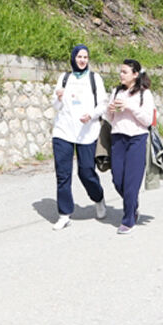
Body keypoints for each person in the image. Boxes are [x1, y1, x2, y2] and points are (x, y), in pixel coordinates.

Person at [51, 44, 108, 230]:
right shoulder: (64, 78)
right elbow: (55, 105)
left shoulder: (94, 78)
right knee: (63, 174)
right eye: (79, 57)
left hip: (87, 132)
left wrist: (91, 115)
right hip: (63, 131)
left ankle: (98, 198)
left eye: (85, 57)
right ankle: (64, 214)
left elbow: (103, 104)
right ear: (73, 58)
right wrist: (58, 98)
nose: (82, 60)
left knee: (86, 172)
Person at [104, 59, 155, 235]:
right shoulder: (116, 91)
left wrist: (130, 107)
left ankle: (128, 219)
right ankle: (133, 204)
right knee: (117, 179)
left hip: (137, 139)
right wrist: (110, 109)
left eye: (125, 72)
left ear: (135, 75)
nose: (121, 75)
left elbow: (148, 120)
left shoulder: (144, 94)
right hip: (117, 138)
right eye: (120, 71)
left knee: (131, 183)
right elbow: (109, 118)